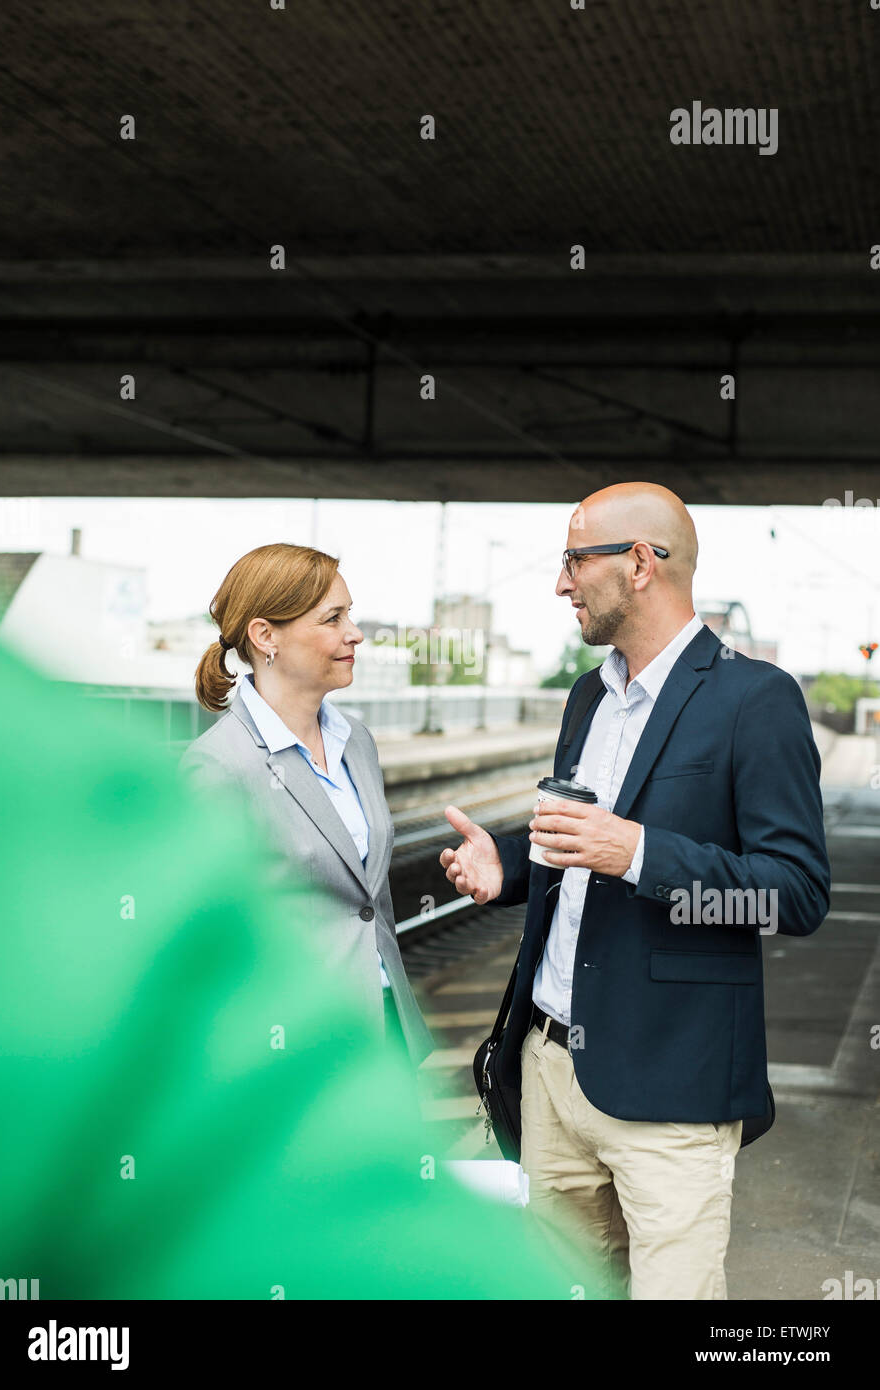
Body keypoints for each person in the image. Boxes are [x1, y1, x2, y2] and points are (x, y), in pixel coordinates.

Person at [439, 482, 830, 1300]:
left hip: (671, 1087)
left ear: (642, 564)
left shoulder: (755, 700)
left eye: (575, 559)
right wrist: (509, 864)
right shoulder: (588, 695)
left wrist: (644, 855)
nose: (561, 583)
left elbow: (792, 897)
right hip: (549, 1068)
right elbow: (577, 844)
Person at [180, 542, 433, 1067]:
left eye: (350, 614)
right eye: (332, 618)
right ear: (265, 636)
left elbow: (370, 901)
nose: (355, 633)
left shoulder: (356, 740)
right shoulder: (218, 767)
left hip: (385, 1030)